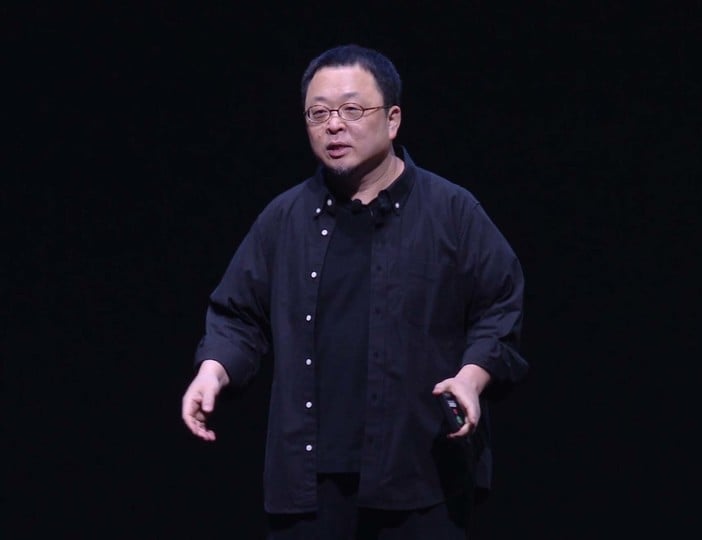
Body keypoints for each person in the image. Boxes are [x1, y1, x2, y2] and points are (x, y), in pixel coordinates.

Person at [181, 43, 528, 539]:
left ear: (392, 119)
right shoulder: (285, 218)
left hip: (420, 476)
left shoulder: (452, 212)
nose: (334, 126)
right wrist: (213, 370)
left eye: (351, 110)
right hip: (309, 483)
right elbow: (238, 314)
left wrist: (471, 379)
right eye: (318, 113)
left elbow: (500, 306)